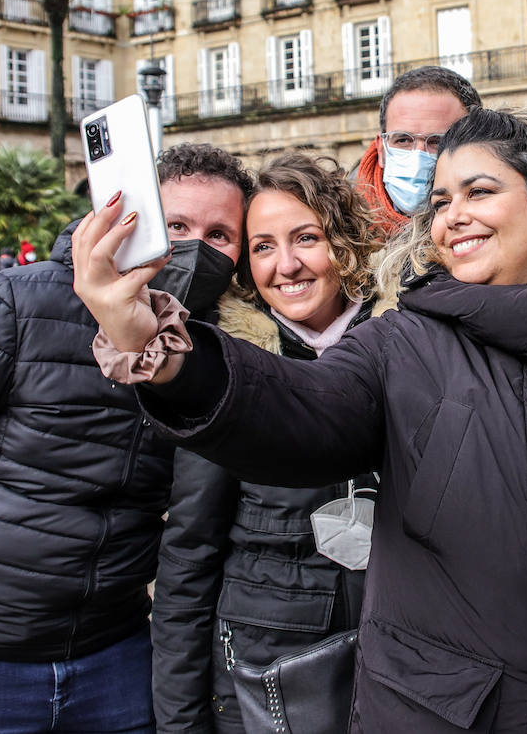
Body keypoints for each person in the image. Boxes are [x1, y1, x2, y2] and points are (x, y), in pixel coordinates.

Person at [74, 108, 527, 733]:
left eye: (480, 191)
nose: (454, 215)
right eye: (439, 201)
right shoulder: (401, 345)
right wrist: (162, 350)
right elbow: (294, 414)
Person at [0, 143, 252, 734]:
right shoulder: (2, 306)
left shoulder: (213, 348)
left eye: (220, 234)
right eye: (176, 225)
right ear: (122, 218)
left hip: (117, 650)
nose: (193, 247)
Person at [154, 153, 391, 733]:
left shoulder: (405, 345)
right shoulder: (228, 365)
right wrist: (181, 723)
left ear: (344, 241)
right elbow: (190, 551)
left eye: (305, 237)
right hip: (264, 671)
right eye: (262, 246)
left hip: (399, 657)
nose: (286, 266)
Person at [353, 66, 481, 235]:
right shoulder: (340, 231)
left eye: (437, 141)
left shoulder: (493, 223)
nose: (418, 157)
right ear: (381, 149)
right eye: (403, 140)